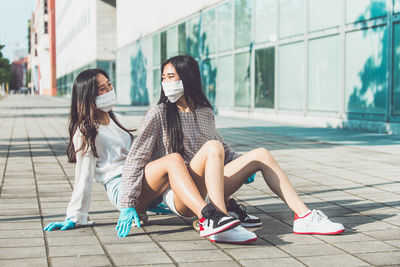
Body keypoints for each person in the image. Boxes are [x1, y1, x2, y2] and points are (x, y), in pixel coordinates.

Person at [117, 55, 344, 243]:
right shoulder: (158, 114)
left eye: (171, 77)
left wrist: (245, 165)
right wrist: (127, 203)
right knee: (212, 148)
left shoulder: (204, 111)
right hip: (182, 194)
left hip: (206, 184)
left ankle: (304, 216)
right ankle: (218, 219)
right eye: (164, 78)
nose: (166, 82)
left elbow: (222, 147)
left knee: (261, 154)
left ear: (188, 79)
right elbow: (136, 159)